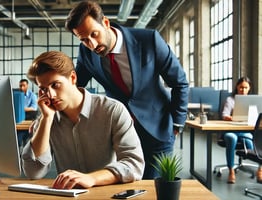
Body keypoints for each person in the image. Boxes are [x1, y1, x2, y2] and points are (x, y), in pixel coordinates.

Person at [65, 1, 189, 179]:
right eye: (84, 39)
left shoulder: (149, 40)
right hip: (120, 133)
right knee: (125, 186)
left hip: (158, 128)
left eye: (94, 34)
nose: (91, 44)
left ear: (105, 23)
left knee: (153, 188)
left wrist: (176, 123)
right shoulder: (86, 53)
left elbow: (180, 82)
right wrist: (48, 114)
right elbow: (74, 88)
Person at [21, 51, 144, 189]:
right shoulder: (45, 119)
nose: (50, 95)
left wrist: (91, 178)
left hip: (108, 194)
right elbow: (33, 172)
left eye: (55, 85)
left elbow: (134, 164)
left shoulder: (112, 110)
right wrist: (47, 119)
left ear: (73, 78)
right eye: (43, 89)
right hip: (69, 196)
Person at [221, 76, 261, 184]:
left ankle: (260, 169)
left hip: (244, 131)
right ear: (237, 87)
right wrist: (235, 117)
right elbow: (224, 115)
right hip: (231, 130)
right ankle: (231, 170)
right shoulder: (231, 100)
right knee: (231, 138)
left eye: (245, 88)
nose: (243, 90)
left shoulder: (253, 101)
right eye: (241, 87)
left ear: (249, 88)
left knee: (253, 141)